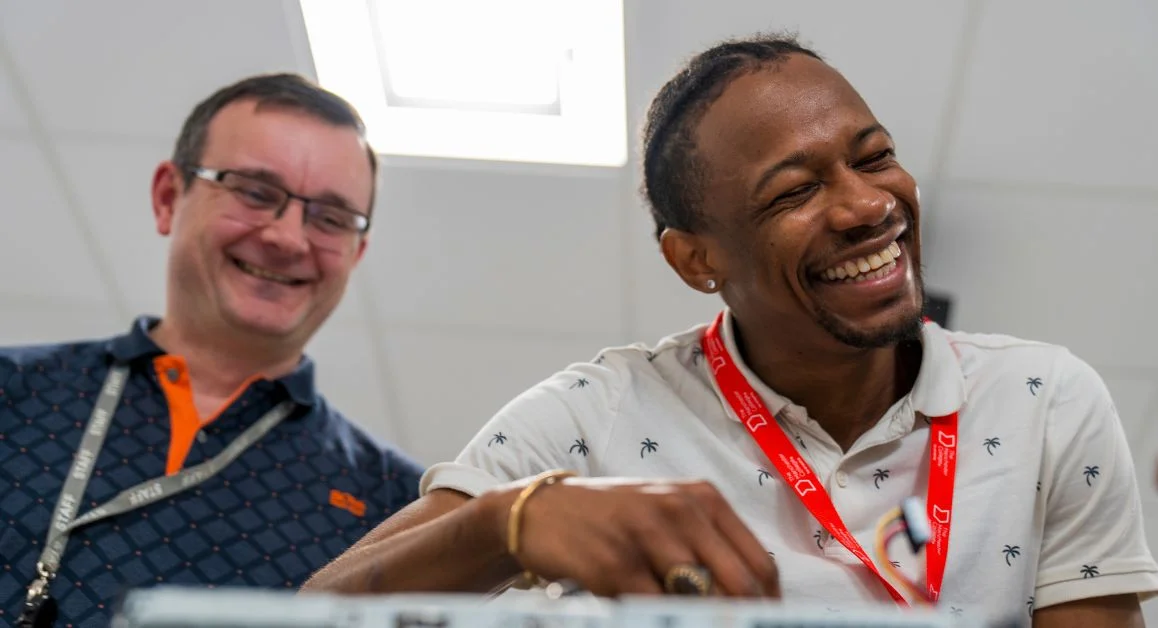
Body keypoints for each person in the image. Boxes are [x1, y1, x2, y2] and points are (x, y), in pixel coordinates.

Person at [301, 34, 1158, 626]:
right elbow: (312, 613)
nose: (868, 206)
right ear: (694, 260)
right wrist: (511, 525)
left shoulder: (1045, 402)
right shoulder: (588, 419)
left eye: (873, 156)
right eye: (793, 192)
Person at [0, 74, 424, 627]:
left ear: (356, 252)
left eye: (330, 218)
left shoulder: (400, 507)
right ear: (168, 197)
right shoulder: (12, 391)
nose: (289, 238)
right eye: (254, 192)